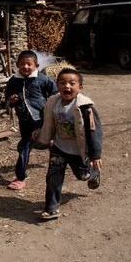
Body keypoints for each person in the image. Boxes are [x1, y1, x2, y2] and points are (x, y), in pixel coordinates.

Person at [35, 67, 103, 220]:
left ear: (80, 88)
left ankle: (93, 173)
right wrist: (40, 132)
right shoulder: (53, 102)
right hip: (59, 147)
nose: (67, 86)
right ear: (57, 86)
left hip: (79, 150)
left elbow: (94, 132)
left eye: (72, 83)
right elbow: (45, 118)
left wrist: (95, 155)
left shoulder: (86, 108)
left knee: (83, 175)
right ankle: (51, 208)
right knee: (53, 177)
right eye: (62, 83)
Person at [4, 50, 57, 190]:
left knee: (50, 143)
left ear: (36, 65)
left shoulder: (43, 79)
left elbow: (55, 93)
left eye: (29, 64)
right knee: (25, 146)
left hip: (42, 119)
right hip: (25, 120)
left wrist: (53, 109)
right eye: (22, 64)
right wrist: (12, 100)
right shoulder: (14, 81)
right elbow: (7, 97)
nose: (25, 67)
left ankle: (62, 162)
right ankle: (21, 177)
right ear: (17, 65)